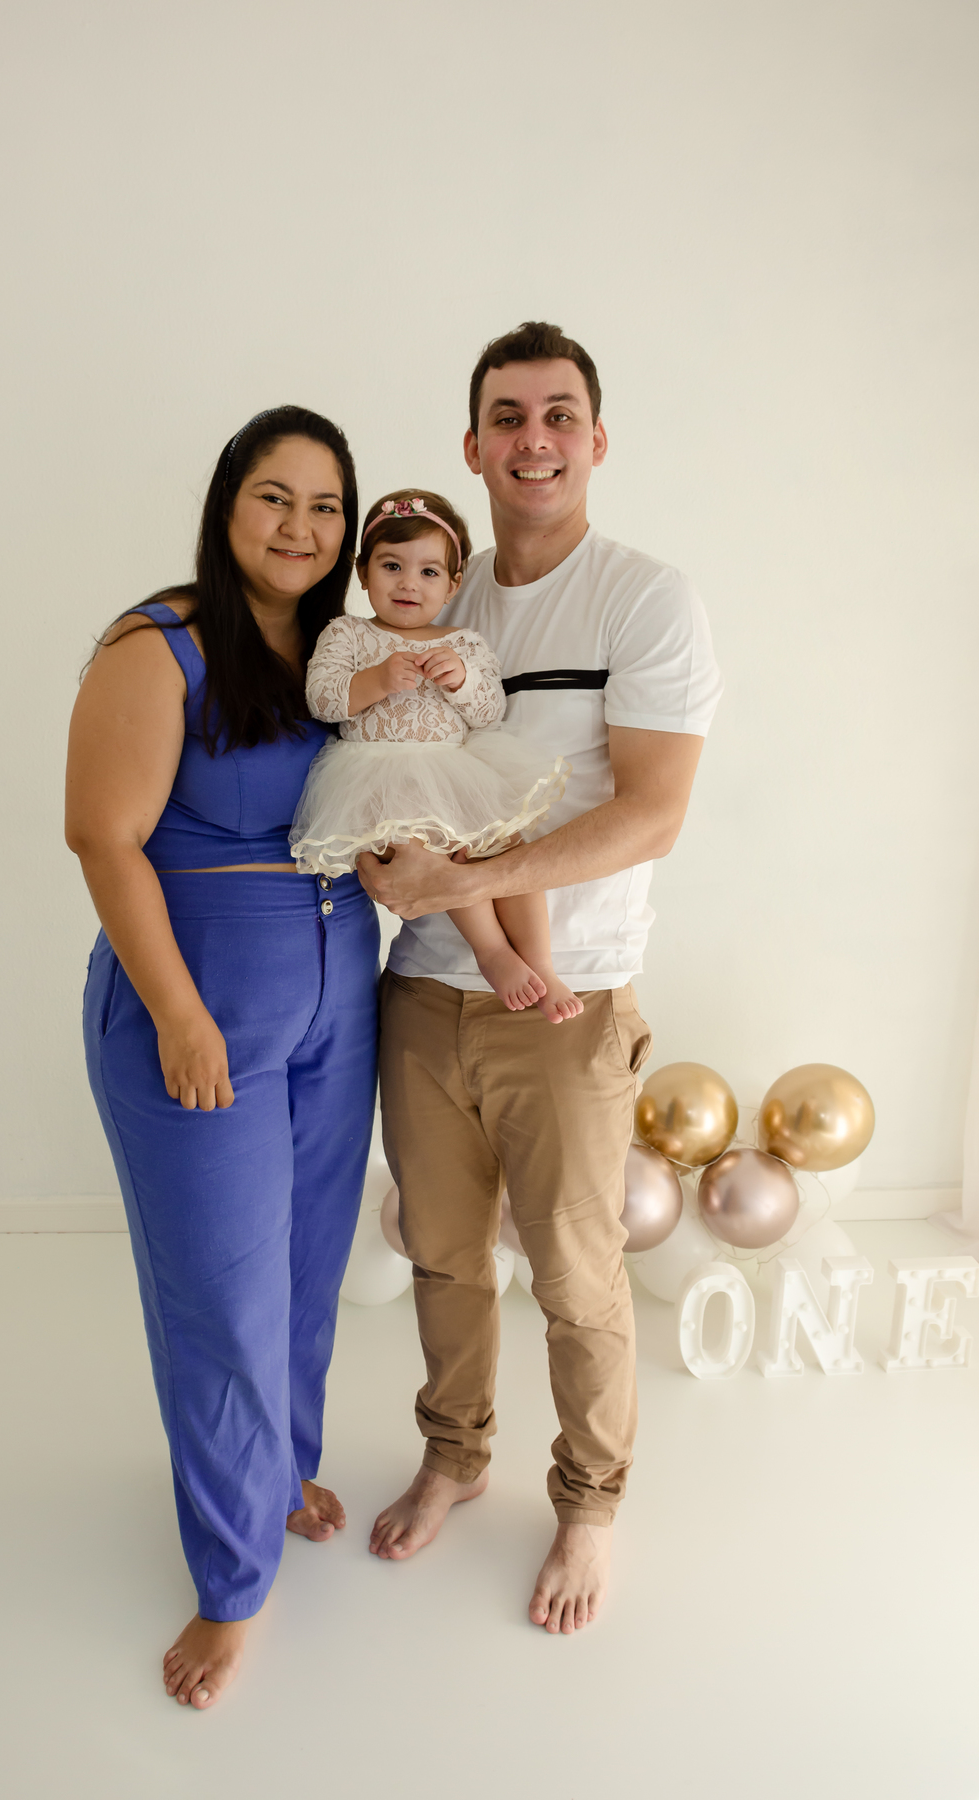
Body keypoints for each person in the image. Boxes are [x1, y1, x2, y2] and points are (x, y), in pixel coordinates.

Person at [360, 322, 723, 1634]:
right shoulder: (432, 594)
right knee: (446, 1258)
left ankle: (589, 1502)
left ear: (596, 439)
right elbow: (380, 753)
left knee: (576, 1274)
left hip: (570, 998)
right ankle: (455, 1456)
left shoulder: (642, 598)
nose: (534, 439)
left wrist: (470, 880)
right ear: (472, 446)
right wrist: (380, 859)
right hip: (423, 991)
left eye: (559, 414)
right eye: (508, 417)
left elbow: (653, 814)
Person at [65, 406, 379, 1710]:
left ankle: (277, 1472)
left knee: (305, 1270)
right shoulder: (160, 644)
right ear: (227, 504)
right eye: (274, 497)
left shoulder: (341, 650)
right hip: (200, 1012)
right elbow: (101, 836)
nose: (301, 527)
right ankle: (231, 1582)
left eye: (325, 506)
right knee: (223, 1296)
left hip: (338, 999)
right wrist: (182, 1017)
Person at [290, 487, 579, 1021]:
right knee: (433, 855)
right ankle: (493, 952)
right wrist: (376, 680)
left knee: (507, 847)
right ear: (362, 572)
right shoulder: (349, 634)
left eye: (428, 572)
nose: (408, 583)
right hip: (379, 777)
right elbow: (322, 698)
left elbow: (489, 712)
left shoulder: (463, 642)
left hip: (454, 771)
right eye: (391, 566)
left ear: (453, 583)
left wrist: (463, 679)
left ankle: (544, 965)